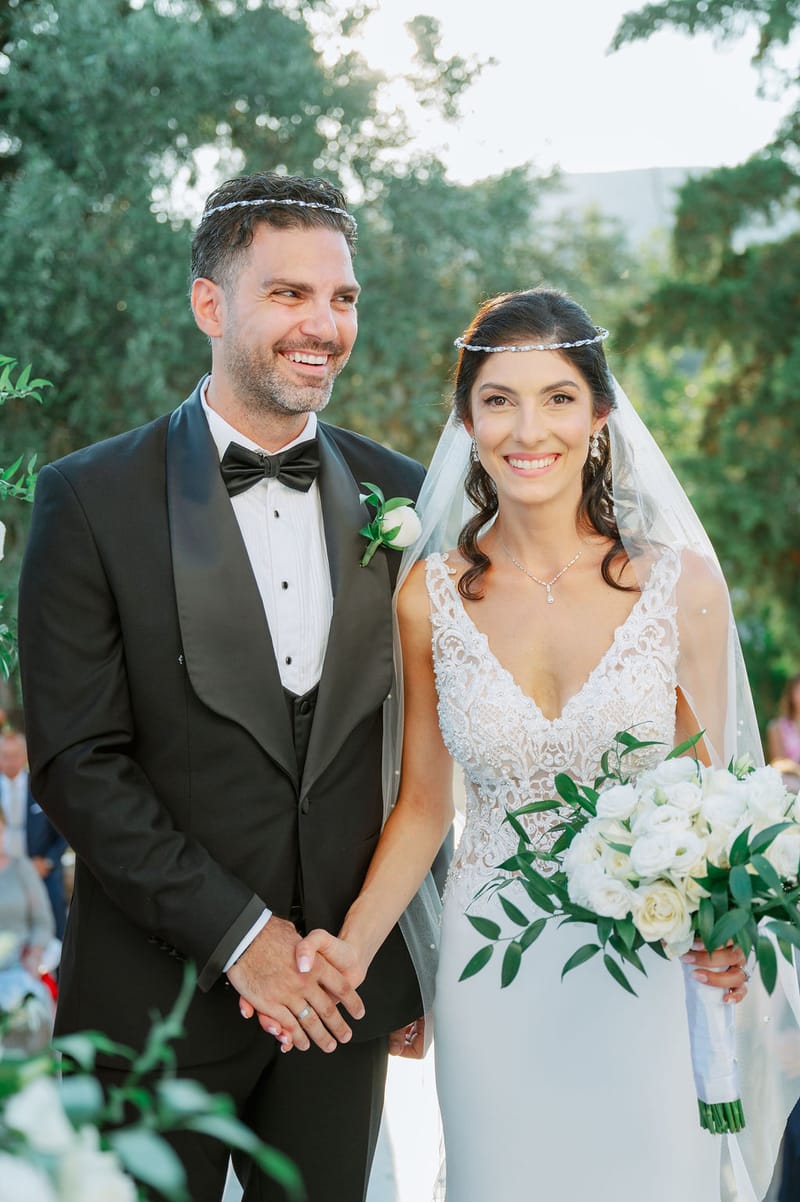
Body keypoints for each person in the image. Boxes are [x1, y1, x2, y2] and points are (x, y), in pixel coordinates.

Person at [281, 289, 800, 1201]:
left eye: (559, 397)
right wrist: (352, 954)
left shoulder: (684, 588)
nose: (531, 429)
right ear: (468, 421)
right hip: (494, 976)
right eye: (499, 399)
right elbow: (423, 809)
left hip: (648, 965)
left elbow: (720, 805)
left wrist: (729, 925)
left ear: (601, 414)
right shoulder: (428, 598)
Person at [17, 171, 441, 1202]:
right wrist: (243, 939)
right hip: (150, 1001)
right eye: (289, 293)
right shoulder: (91, 496)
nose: (324, 324)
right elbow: (79, 762)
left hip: (341, 1001)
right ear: (210, 303)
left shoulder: (406, 495)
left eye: (341, 298)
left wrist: (399, 945)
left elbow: (422, 751)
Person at [0, 730, 68, 938]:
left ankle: (57, 968)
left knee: (55, 927)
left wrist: (47, 861)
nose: (9, 761)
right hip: (4, 872)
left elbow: (64, 830)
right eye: (4, 755)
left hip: (41, 870)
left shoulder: (41, 788)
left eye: (14, 755)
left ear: (24, 755)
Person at [0, 808, 55, 1052]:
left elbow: (43, 921)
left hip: (18, 968)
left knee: (31, 1011)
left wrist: (34, 955)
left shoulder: (22, 869)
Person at [767, 674, 800, 793]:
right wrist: (796, 769)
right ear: (792, 694)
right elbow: (777, 762)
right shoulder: (777, 727)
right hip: (790, 780)